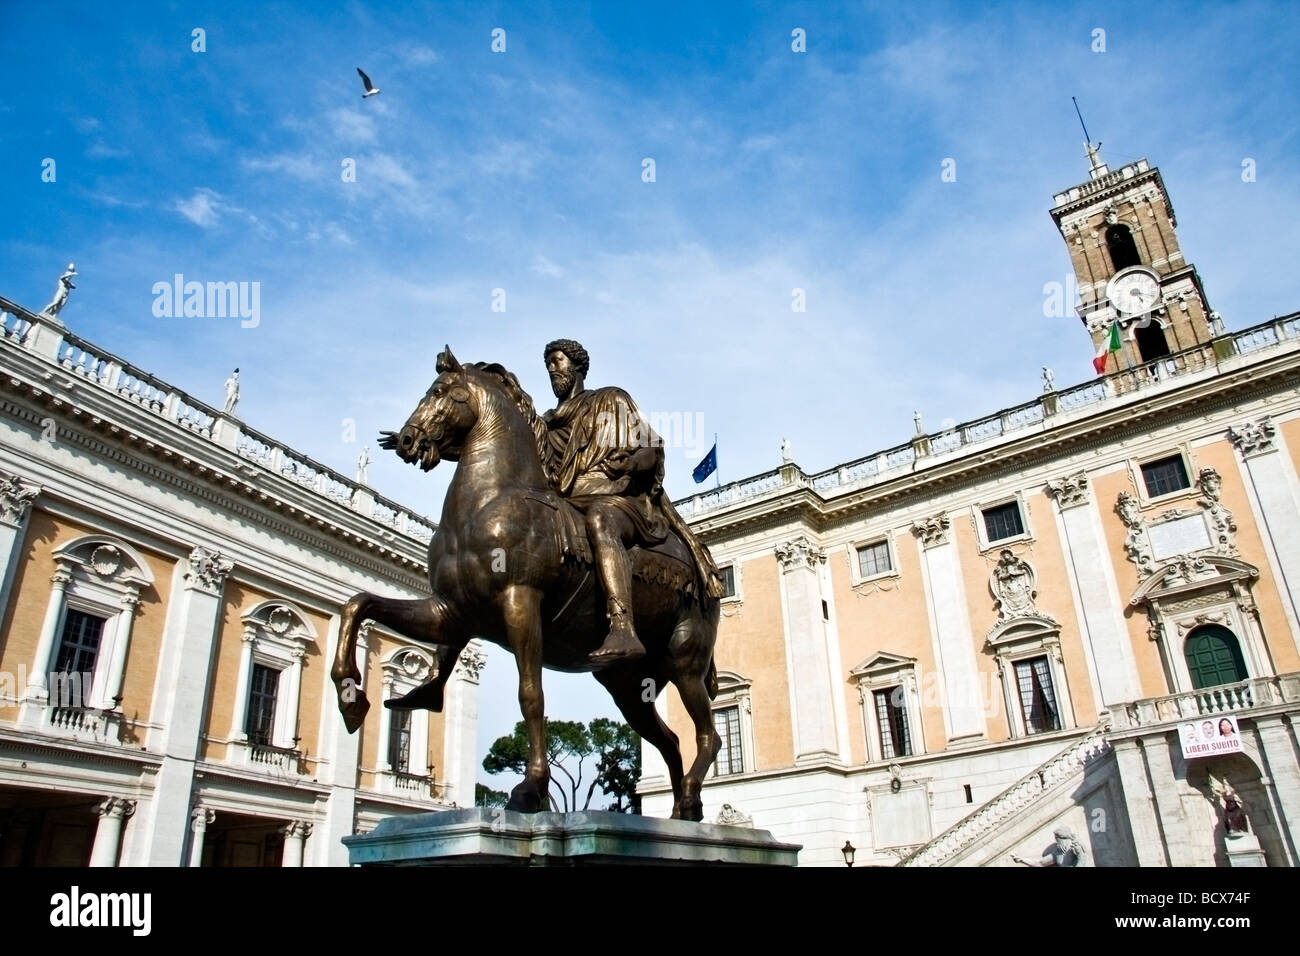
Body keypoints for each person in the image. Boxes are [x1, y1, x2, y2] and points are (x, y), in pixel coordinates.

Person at [541, 339, 721, 665]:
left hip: (616, 499)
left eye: (558, 361)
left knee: (600, 520)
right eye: (549, 364)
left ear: (578, 366)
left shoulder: (609, 400)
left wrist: (631, 463)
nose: (553, 368)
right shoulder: (548, 424)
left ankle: (622, 625)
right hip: (568, 501)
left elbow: (649, 446)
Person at [1011, 825, 1086, 867]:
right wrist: (1022, 860)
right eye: (1056, 838)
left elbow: (1082, 862)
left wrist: (1080, 854)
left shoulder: (1075, 846)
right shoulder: (1057, 853)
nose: (1057, 840)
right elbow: (1040, 863)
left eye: (1058, 838)